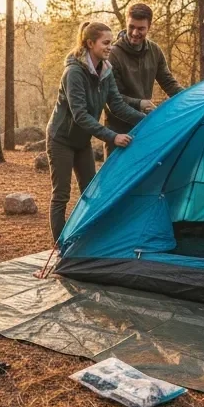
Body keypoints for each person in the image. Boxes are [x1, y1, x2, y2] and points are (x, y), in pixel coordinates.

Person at [45, 20, 146, 242]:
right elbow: (80, 115)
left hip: (82, 142)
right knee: (61, 195)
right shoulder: (73, 73)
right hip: (61, 139)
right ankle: (60, 248)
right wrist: (113, 136)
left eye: (111, 42)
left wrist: (148, 120)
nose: (110, 47)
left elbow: (117, 105)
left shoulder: (106, 71)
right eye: (106, 43)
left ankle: (88, 242)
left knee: (90, 193)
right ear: (90, 43)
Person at [103, 2, 183, 158]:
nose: (134, 33)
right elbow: (112, 99)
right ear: (126, 23)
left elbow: (169, 83)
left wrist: (192, 99)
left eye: (140, 29)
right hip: (117, 130)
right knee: (116, 180)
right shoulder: (113, 55)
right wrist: (140, 104)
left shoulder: (155, 51)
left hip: (144, 128)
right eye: (131, 27)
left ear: (149, 27)